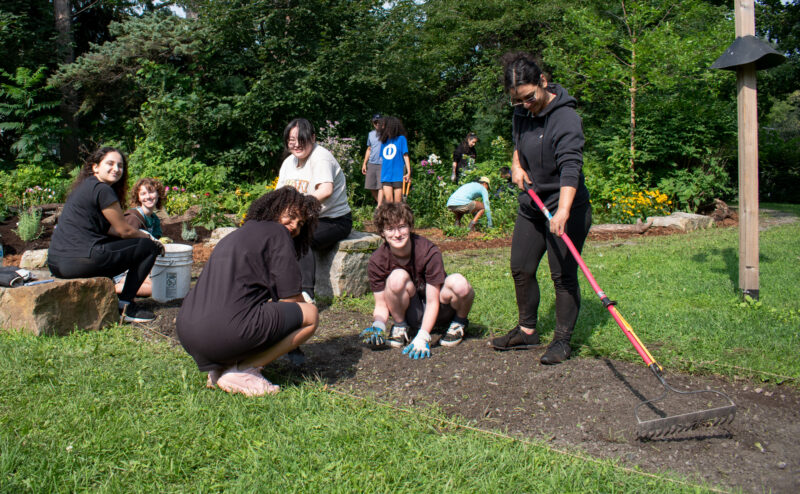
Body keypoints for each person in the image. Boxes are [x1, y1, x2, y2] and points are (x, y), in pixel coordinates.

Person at [488, 52, 592, 365]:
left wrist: (562, 211)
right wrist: (516, 165)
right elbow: (518, 143)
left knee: (562, 276)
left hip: (565, 206)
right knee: (521, 267)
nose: (525, 106)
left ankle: (562, 341)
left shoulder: (566, 118)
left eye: (530, 97)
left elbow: (571, 166)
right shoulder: (522, 111)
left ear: (543, 82)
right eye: (517, 101)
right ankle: (527, 332)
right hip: (532, 204)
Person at [176, 187, 321, 396]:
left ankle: (220, 368)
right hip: (223, 333)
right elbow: (291, 299)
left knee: (260, 311)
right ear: (275, 208)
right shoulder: (278, 233)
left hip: (188, 332)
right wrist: (305, 305)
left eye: (300, 224)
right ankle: (244, 370)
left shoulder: (238, 234)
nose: (295, 227)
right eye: (291, 217)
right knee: (310, 315)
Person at [47, 147, 163, 322]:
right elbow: (124, 230)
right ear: (95, 167)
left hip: (56, 263)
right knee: (148, 248)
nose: (116, 169)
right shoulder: (102, 189)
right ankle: (126, 305)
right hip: (78, 262)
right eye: (110, 163)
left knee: (124, 243)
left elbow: (108, 229)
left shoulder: (85, 187)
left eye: (120, 165)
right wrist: (149, 238)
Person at [360, 202, 475, 359]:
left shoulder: (428, 251)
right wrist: (378, 325)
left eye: (402, 227)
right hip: (411, 312)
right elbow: (380, 304)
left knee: (459, 283)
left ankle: (458, 324)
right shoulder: (377, 260)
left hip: (440, 309)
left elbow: (433, 301)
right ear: (382, 233)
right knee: (396, 277)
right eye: (390, 229)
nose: (397, 234)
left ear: (410, 226)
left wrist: (423, 336)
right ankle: (401, 327)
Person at [277, 118, 353, 303]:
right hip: (303, 218)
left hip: (333, 220)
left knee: (300, 237)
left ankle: (306, 295)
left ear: (313, 137)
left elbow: (325, 190)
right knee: (272, 234)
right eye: (291, 140)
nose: (296, 144)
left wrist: (297, 207)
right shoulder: (289, 162)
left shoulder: (321, 157)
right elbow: (278, 194)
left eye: (301, 139)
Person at [114, 177, 166, 297]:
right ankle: (115, 288)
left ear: (158, 194)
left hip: (141, 265)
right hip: (123, 269)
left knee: (162, 284)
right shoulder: (132, 217)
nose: (148, 197)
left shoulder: (154, 219)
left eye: (151, 192)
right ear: (138, 197)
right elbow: (127, 249)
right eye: (143, 193)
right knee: (157, 289)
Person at [378, 116, 411, 203]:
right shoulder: (384, 141)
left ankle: (399, 217)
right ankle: (390, 217)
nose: (382, 127)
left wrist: (408, 172)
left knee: (398, 202)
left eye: (384, 125)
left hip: (398, 175)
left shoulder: (401, 139)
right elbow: (383, 160)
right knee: (389, 201)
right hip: (386, 175)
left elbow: (405, 155)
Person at [361, 114, 384, 206]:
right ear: (373, 123)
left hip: (383, 163)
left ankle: (379, 207)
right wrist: (364, 163)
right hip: (372, 163)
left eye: (379, 121)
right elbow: (369, 149)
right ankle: (383, 205)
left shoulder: (387, 134)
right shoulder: (370, 134)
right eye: (375, 122)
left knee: (381, 186)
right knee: (371, 186)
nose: (377, 124)